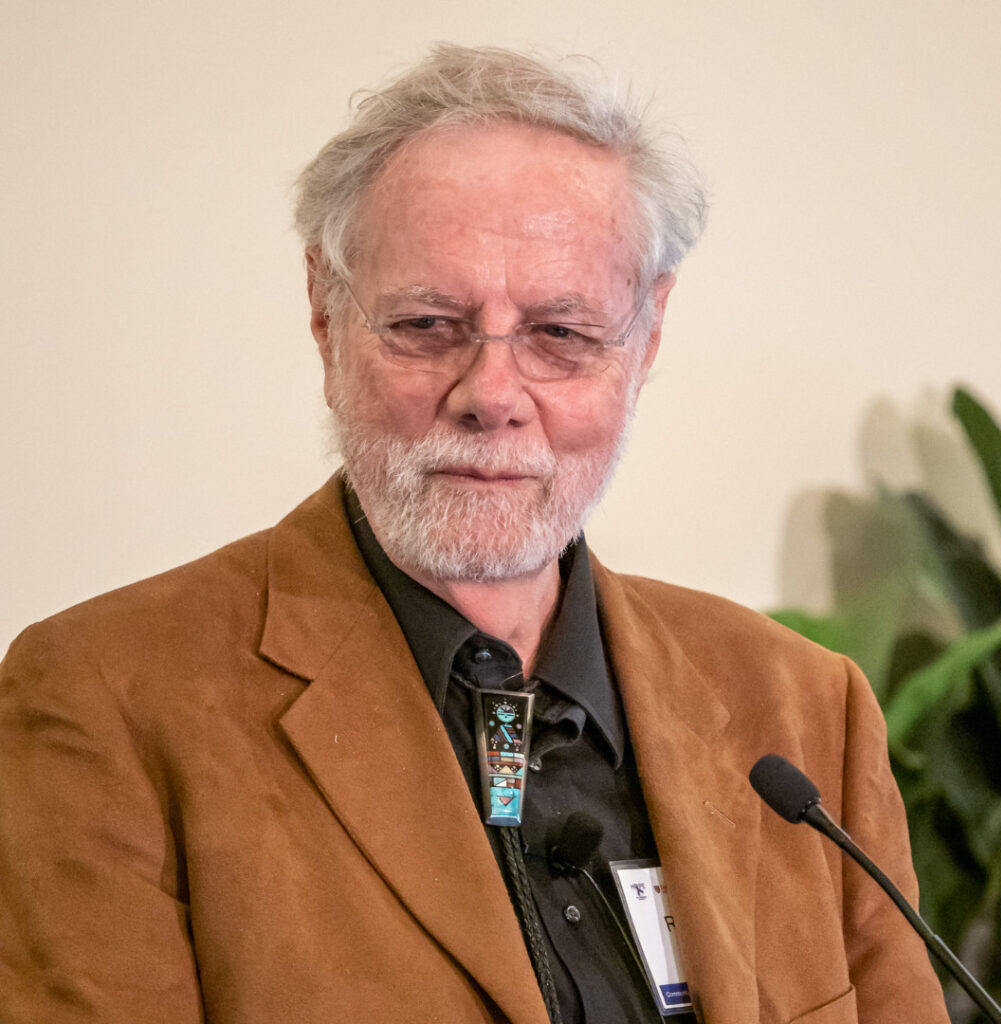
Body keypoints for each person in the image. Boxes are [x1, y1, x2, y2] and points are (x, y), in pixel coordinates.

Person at [0, 44, 949, 1024]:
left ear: (646, 338)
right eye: (426, 324)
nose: (492, 395)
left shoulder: (804, 709)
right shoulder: (112, 699)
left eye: (560, 334)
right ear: (325, 315)